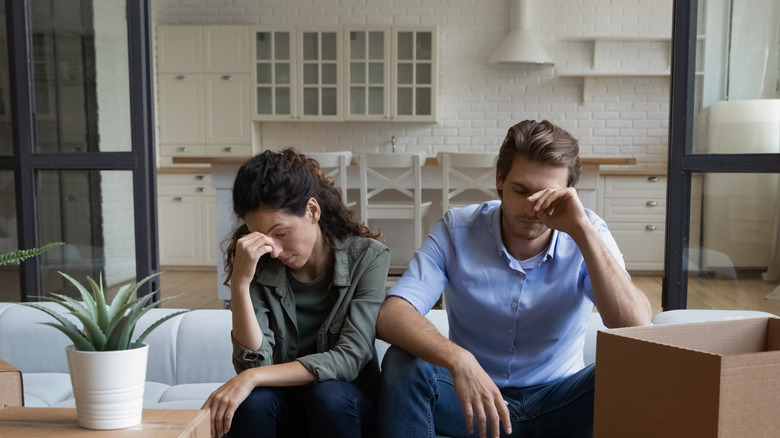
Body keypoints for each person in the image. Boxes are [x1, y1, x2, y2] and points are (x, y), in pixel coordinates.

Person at [375, 120, 652, 438]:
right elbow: (392, 314)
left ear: (569, 193)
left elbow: (638, 329)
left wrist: (582, 232)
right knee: (401, 363)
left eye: (549, 195)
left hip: (561, 402)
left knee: (636, 367)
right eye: (522, 191)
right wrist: (458, 359)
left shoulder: (589, 232)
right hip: (473, 405)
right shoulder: (457, 230)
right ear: (500, 180)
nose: (534, 208)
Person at [202, 149, 390, 438]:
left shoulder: (368, 258)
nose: (274, 250)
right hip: (284, 407)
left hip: (344, 408)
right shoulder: (258, 263)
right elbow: (254, 361)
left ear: (312, 211)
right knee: (252, 402)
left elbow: (350, 357)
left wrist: (252, 377)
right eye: (262, 238)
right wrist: (240, 284)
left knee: (329, 397)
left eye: (280, 233)